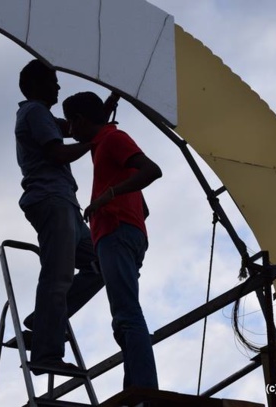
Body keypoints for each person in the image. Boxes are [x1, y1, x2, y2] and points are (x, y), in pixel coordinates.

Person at [62, 91, 162, 389]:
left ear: (79, 120)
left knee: (126, 314)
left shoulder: (113, 140)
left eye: (71, 123)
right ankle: (136, 385)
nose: (71, 131)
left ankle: (143, 388)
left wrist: (110, 196)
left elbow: (151, 170)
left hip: (116, 232)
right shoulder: (103, 143)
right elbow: (143, 204)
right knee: (124, 314)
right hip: (122, 232)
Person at [14, 60, 104, 374]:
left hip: (63, 201)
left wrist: (104, 111)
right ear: (38, 85)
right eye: (53, 81)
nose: (58, 87)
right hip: (52, 200)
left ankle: (43, 321)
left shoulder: (43, 116)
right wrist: (95, 141)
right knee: (58, 275)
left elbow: (76, 126)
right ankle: (45, 354)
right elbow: (59, 151)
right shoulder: (35, 112)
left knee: (100, 264)